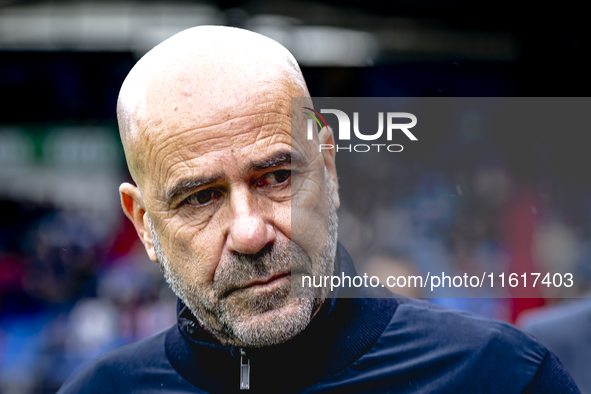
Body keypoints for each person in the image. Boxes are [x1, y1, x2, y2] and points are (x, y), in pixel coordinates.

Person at [57, 26, 579, 393]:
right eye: (201, 197)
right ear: (144, 224)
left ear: (328, 168)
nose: (249, 232)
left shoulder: (502, 377)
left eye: (277, 177)